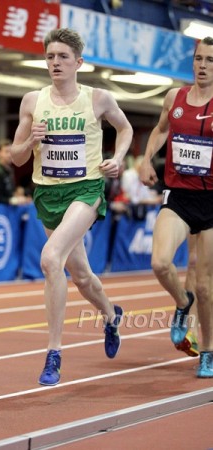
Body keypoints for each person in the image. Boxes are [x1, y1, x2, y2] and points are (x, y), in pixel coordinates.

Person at [11, 28, 133, 386]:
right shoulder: (32, 101)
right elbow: (16, 156)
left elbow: (124, 130)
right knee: (81, 276)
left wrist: (118, 158)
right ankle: (112, 316)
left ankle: (53, 354)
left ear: (79, 62)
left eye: (63, 57)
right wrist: (30, 140)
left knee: (51, 259)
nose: (55, 63)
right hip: (48, 193)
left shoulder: (98, 98)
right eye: (50, 56)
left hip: (86, 190)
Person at [139, 36, 213, 378]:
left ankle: (208, 352)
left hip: (211, 201)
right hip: (180, 197)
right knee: (159, 262)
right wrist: (145, 160)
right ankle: (183, 305)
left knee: (205, 286)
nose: (203, 65)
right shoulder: (175, 97)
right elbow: (160, 130)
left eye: (210, 60)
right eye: (199, 58)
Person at [0, 138, 31, 205]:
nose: (10, 155)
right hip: (0, 210)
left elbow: (9, 192)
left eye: (11, 152)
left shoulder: (10, 170)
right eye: (6, 152)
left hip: (9, 208)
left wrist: (18, 195)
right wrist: (14, 200)